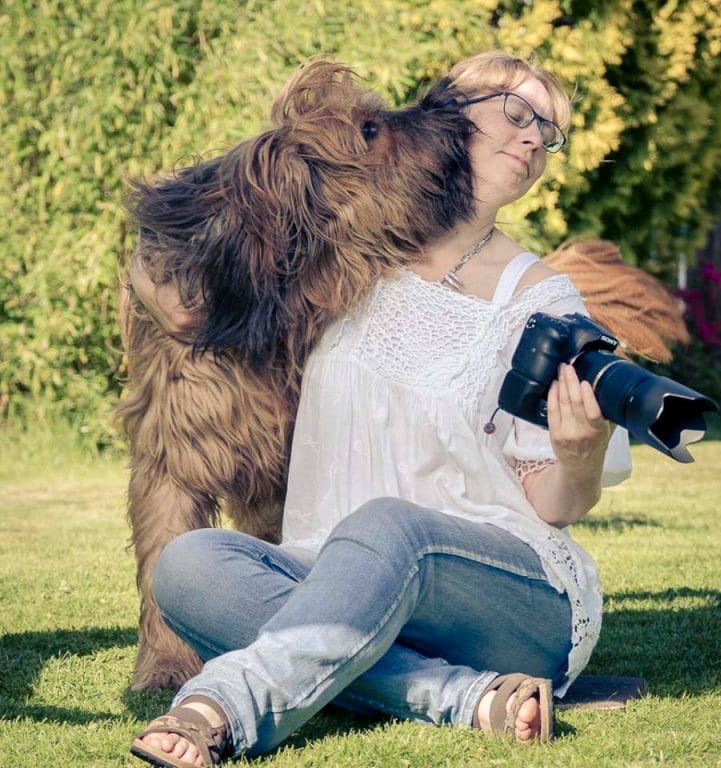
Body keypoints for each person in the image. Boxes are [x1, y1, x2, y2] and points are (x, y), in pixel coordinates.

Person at [129, 50, 632, 767]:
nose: (532, 140)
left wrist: (579, 455)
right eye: (518, 113)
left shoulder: (540, 302)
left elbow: (555, 504)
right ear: (446, 107)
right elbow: (203, 240)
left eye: (549, 133)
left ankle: (222, 706)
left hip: (503, 597)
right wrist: (161, 290)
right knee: (189, 565)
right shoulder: (348, 253)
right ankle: (456, 696)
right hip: (342, 580)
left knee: (390, 525)